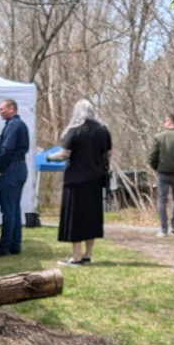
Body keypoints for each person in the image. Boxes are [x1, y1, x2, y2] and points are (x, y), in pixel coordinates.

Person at [52, 98, 112, 264]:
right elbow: (108, 154)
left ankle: (76, 256)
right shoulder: (103, 130)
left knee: (75, 217)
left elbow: (64, 154)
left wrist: (50, 157)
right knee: (91, 217)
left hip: (76, 180)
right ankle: (87, 255)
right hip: (95, 180)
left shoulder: (75, 130)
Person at [0, 99, 29, 257]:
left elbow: (6, 148)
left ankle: (4, 247)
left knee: (8, 210)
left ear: (11, 109)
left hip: (11, 170)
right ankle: (15, 245)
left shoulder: (13, 125)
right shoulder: (21, 125)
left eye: (2, 109)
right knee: (14, 209)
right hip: (19, 168)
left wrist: (2, 169)